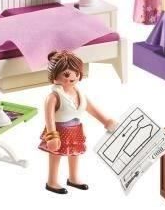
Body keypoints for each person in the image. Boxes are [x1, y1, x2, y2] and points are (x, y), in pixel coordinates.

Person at [38, 50, 116, 194]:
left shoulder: (78, 93)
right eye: (67, 74)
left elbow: (90, 108)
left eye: (76, 73)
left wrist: (105, 120)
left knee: (74, 154)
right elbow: (49, 118)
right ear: (55, 76)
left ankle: (73, 178)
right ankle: (52, 181)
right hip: (59, 130)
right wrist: (52, 136)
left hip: (75, 129)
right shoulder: (53, 97)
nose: (73, 77)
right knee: (55, 155)